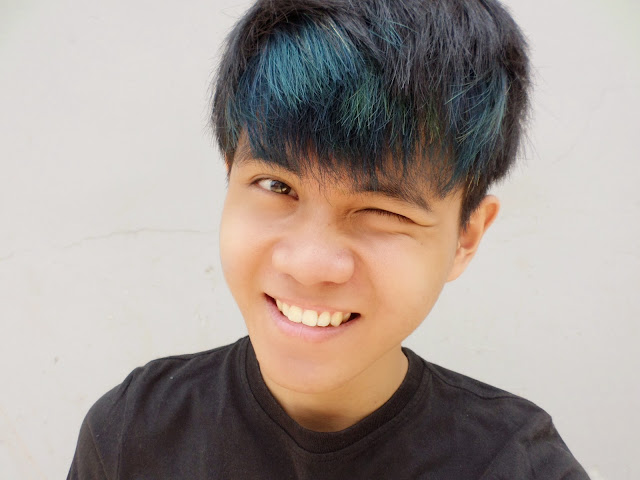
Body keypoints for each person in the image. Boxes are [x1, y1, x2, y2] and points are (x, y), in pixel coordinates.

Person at [68, 0, 589, 478]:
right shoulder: (131, 433)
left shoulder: (518, 467)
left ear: (465, 237)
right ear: (230, 176)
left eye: (382, 211)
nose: (309, 264)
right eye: (276, 186)